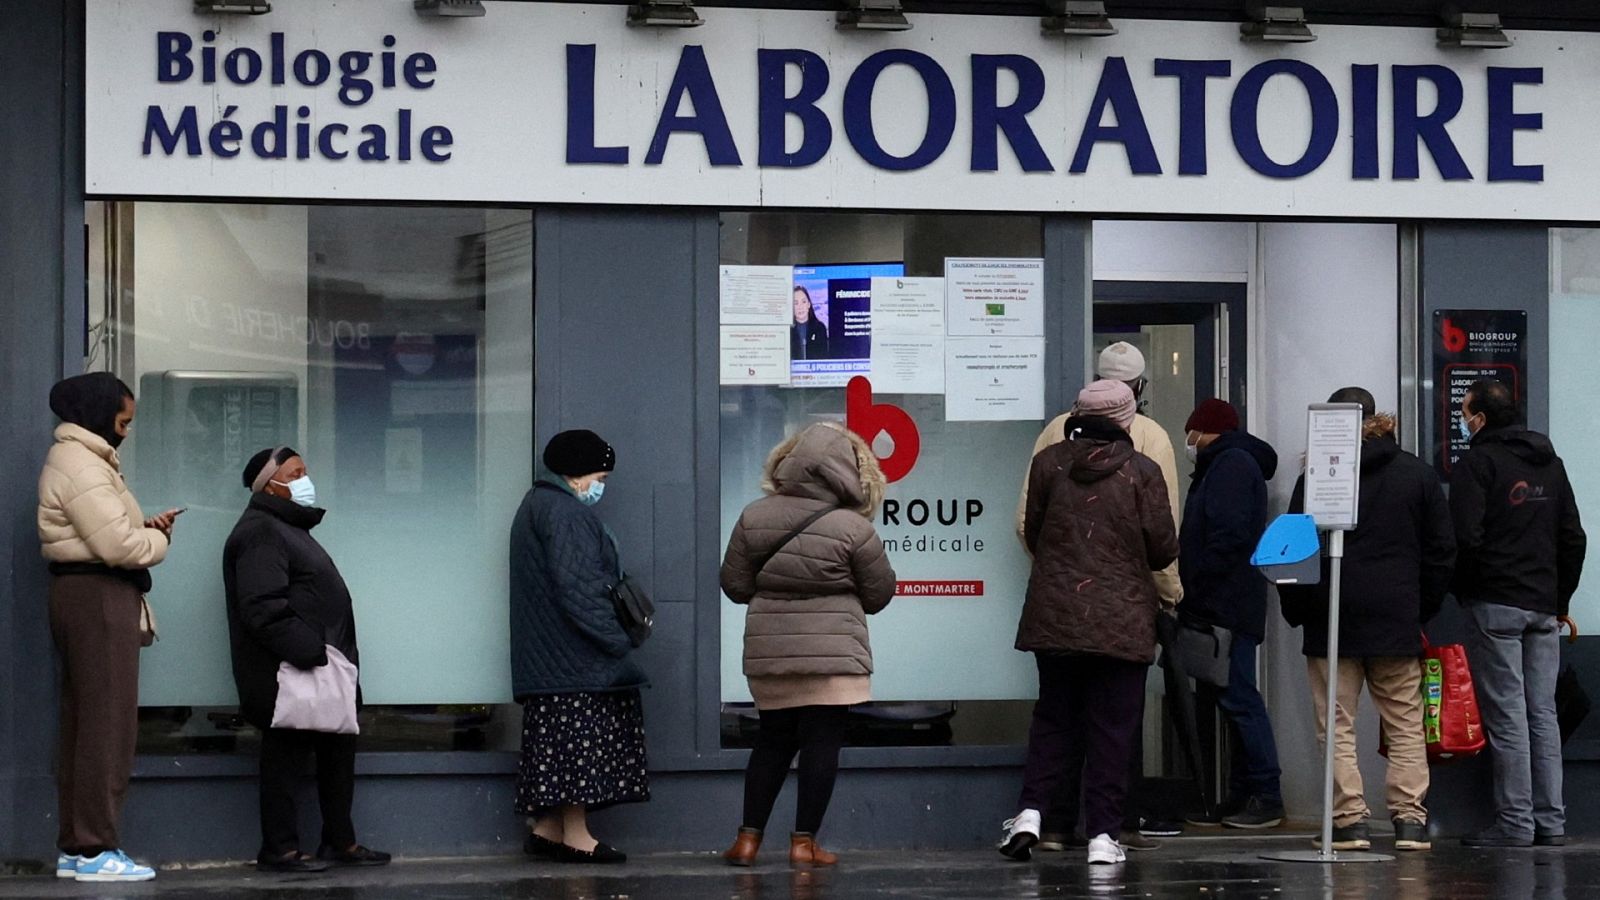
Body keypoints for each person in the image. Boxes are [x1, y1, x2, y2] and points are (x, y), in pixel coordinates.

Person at [999, 382, 1179, 866]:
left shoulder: (1048, 464)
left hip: (1056, 615)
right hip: (1122, 620)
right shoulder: (1143, 471)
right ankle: (1102, 834)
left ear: (1076, 415)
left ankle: (1031, 814)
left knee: (1054, 719)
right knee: (1112, 729)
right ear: (1126, 420)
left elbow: (1032, 530)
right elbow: (1163, 547)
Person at [1280, 387, 1456, 853]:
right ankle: (1410, 821)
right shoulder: (1416, 475)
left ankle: (1350, 821)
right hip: (1396, 620)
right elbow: (1442, 552)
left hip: (1330, 619)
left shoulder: (1316, 476)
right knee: (1404, 724)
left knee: (1336, 726)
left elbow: (1294, 551)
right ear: (1379, 419)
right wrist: (1420, 608)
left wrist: (1301, 611)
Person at [719, 422, 896, 867]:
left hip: (770, 652)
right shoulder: (852, 528)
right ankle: (803, 844)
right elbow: (879, 595)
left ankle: (747, 840)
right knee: (822, 743)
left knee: (772, 741)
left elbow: (735, 586)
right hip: (834, 656)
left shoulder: (753, 516)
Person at [38, 373, 178, 883]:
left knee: (84, 723)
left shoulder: (82, 461)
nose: (126, 431)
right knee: (108, 725)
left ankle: (78, 847)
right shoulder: (82, 466)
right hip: (98, 596)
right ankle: (97, 849)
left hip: (83, 594)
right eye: (123, 421)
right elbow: (120, 548)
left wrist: (141, 532)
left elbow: (111, 535)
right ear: (99, 416)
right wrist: (158, 543)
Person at [224, 447, 391, 873]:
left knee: (337, 752)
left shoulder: (288, 528)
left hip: (323, 666)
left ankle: (340, 841)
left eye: (305, 471)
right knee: (285, 760)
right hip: (290, 671)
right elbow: (262, 605)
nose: (305, 479)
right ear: (271, 484)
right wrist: (310, 651)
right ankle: (279, 849)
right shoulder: (262, 531)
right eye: (295, 472)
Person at [1450, 380, 1586, 848]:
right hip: (1541, 607)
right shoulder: (1552, 463)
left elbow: (1465, 538)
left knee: (1508, 716)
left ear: (1481, 420)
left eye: (1466, 412)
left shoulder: (1477, 465)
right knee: (1542, 715)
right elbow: (1574, 537)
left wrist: (1467, 591)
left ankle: (1515, 824)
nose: (1463, 420)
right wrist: (1559, 600)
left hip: (1496, 604)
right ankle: (1551, 823)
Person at [510, 429, 649, 864]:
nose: (600, 486)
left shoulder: (538, 505)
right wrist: (617, 639)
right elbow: (581, 589)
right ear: (575, 473)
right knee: (579, 748)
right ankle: (576, 835)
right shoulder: (563, 512)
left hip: (552, 658)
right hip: (573, 659)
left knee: (560, 747)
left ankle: (550, 830)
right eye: (599, 475)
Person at [1178, 398, 1285, 829]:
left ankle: (1266, 794)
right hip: (1225, 601)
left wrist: (1195, 584)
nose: (1188, 441)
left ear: (1203, 431)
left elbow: (1228, 536)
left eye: (1190, 432)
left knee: (1239, 698)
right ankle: (1243, 794)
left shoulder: (1230, 464)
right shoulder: (1230, 464)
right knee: (1229, 698)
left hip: (1224, 604)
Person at [791, 286, 829, 361]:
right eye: (796, 303)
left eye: (803, 302)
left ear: (809, 304)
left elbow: (823, 357)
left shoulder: (819, 328)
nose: (800, 307)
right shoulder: (788, 331)